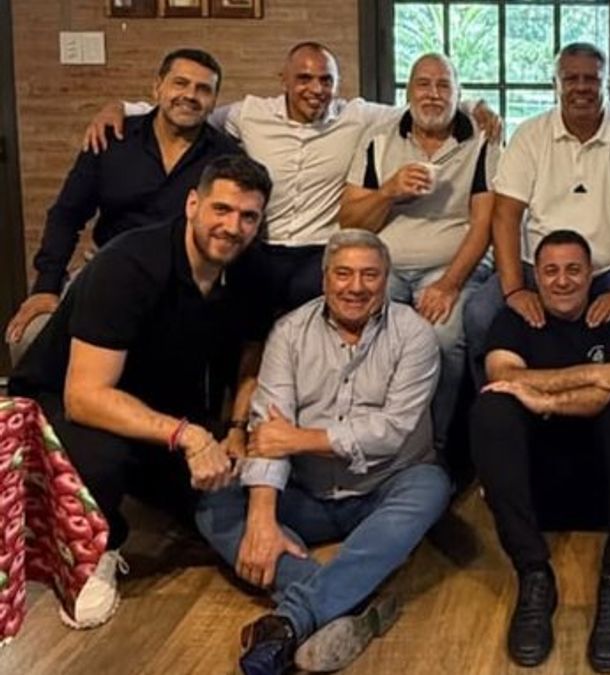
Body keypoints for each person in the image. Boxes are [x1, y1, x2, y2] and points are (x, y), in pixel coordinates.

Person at [8, 154, 274, 629]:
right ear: (192, 204)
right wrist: (188, 436)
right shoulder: (129, 264)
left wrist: (236, 428)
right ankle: (97, 549)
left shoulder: (249, 268)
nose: (233, 227)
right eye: (221, 209)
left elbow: (251, 352)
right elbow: (85, 396)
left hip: (158, 401)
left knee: (227, 482)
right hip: (62, 400)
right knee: (106, 460)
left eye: (248, 216)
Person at [195, 229, 451, 675]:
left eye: (370, 275)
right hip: (307, 490)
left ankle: (292, 618)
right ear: (324, 277)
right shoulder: (289, 333)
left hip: (384, 486)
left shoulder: (415, 335)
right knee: (214, 503)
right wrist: (261, 519)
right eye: (344, 274)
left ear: (386, 279)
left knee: (431, 487)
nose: (356, 287)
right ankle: (343, 598)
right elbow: (267, 431)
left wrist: (299, 439)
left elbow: (391, 432)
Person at [83, 42, 500, 312]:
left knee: (320, 300)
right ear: (283, 80)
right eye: (304, 78)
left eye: (326, 80)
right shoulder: (249, 113)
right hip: (261, 244)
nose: (316, 89)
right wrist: (123, 108)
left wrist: (475, 105)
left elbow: (426, 105)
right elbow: (191, 109)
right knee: (231, 305)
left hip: (319, 248)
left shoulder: (358, 116)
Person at [470, 230, 610, 672]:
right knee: (491, 408)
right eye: (551, 271)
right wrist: (594, 375)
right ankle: (534, 575)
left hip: (607, 485)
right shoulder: (514, 319)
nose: (562, 281)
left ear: (591, 274)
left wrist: (547, 400)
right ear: (536, 276)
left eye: (573, 269)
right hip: (538, 488)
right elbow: (503, 377)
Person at [5, 48, 240, 362]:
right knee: (31, 338)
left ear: (214, 102)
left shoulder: (226, 159)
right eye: (180, 83)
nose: (190, 95)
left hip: (183, 282)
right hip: (107, 271)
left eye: (203, 89)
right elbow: (67, 214)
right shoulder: (110, 139)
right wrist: (46, 287)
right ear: (157, 87)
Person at [463, 42, 610, 379]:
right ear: (555, 84)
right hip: (537, 267)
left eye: (592, 79)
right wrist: (514, 289)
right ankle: (494, 402)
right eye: (571, 78)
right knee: (479, 315)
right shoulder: (530, 134)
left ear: (606, 82)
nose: (581, 87)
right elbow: (505, 216)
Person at [339, 53, 499, 454]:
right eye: (423, 84)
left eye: (444, 85)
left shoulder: (481, 138)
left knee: (443, 336)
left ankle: (433, 447)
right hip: (386, 266)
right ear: (408, 91)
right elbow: (351, 221)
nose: (433, 94)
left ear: (459, 93)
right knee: (363, 328)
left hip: (450, 266)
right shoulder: (379, 137)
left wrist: (448, 285)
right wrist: (388, 192)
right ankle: (367, 438)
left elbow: (485, 224)